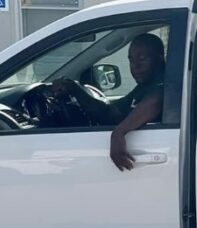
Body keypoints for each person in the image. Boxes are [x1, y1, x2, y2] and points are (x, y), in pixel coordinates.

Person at [50, 33, 166, 171]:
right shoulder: (144, 86)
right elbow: (111, 113)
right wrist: (75, 90)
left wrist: (119, 133)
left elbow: (155, 101)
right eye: (131, 60)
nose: (136, 66)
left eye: (142, 59)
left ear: (159, 58)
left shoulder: (164, 83)